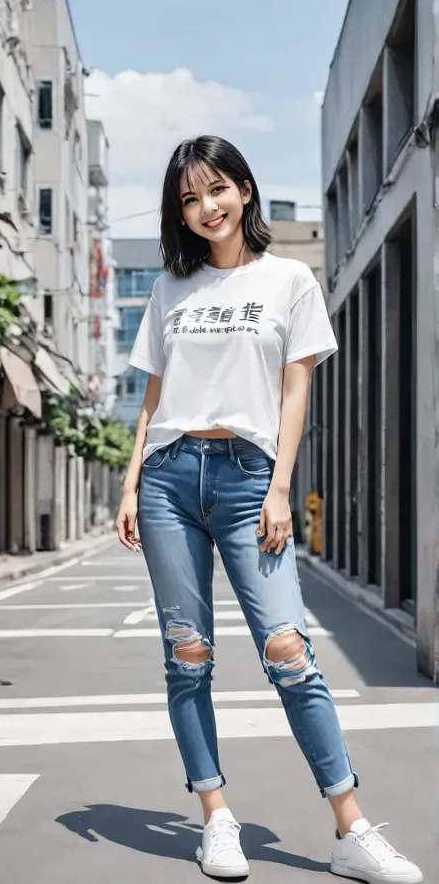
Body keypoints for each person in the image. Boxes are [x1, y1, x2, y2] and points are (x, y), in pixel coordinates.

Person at [116, 135, 423, 883]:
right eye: (188, 199)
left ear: (245, 191)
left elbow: (295, 389)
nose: (204, 208)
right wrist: (129, 484)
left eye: (215, 190)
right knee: (188, 656)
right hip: (166, 477)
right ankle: (216, 817)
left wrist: (280, 485)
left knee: (288, 650)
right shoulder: (170, 288)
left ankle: (350, 828)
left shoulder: (289, 280)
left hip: (250, 477)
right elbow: (154, 397)